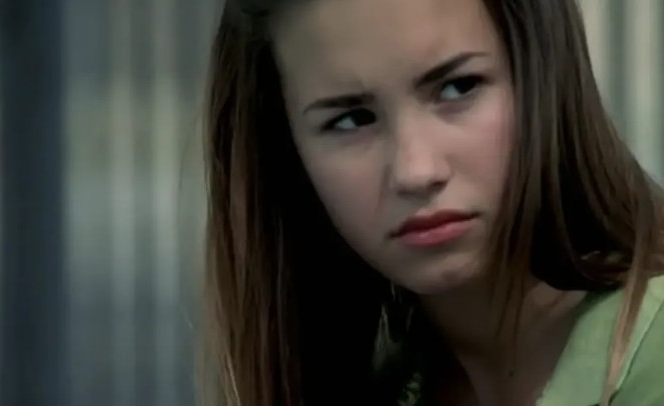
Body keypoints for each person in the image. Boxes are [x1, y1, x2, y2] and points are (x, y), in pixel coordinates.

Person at [199, 0, 664, 405]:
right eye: (351, 120)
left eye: (458, 87)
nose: (415, 171)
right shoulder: (378, 382)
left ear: (542, 74)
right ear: (286, 151)